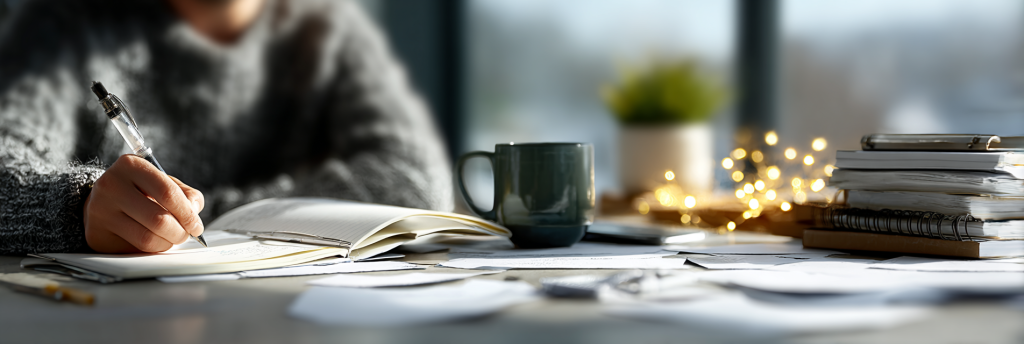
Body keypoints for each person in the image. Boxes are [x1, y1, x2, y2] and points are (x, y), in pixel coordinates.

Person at [0, 0, 453, 254]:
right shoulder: (65, 24)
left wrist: (209, 214)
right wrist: (79, 205)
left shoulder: (328, 28)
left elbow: (413, 183)